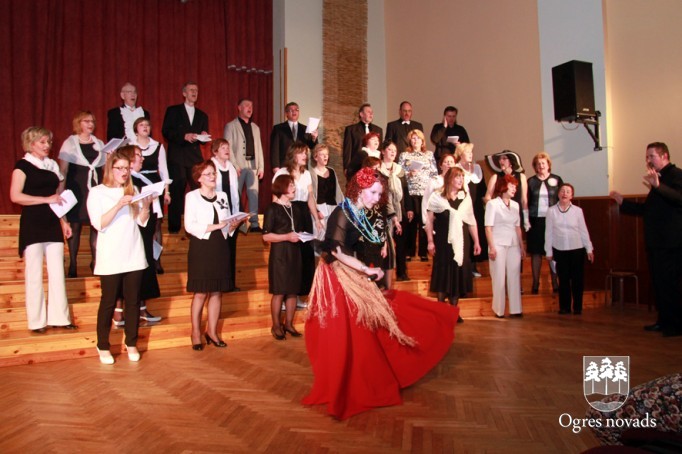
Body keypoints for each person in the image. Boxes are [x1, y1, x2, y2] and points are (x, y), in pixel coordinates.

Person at [302, 167, 458, 420]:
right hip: (335, 276)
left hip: (353, 271)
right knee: (350, 332)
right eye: (373, 193)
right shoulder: (342, 212)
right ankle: (350, 385)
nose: (377, 198)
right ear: (359, 189)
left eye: (379, 194)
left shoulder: (362, 211)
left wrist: (373, 260)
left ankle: (373, 377)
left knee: (375, 321)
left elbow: (365, 241)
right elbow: (337, 251)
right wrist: (365, 269)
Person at [86, 150, 153, 364]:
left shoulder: (133, 190)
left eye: (127, 168)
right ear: (110, 169)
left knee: (132, 301)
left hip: (133, 252)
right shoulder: (97, 192)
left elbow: (141, 221)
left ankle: (131, 343)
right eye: (120, 168)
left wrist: (146, 206)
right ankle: (103, 345)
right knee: (108, 301)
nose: (124, 172)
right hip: (111, 255)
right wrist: (118, 205)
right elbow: (99, 223)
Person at [610, 142, 682, 337]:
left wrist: (658, 186)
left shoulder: (676, 175)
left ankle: (676, 325)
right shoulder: (658, 179)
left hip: (671, 242)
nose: (648, 160)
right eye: (647, 157)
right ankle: (663, 321)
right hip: (656, 242)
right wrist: (623, 202)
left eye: (652, 156)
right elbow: (647, 210)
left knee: (671, 284)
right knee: (659, 283)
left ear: (664, 156)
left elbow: (679, 198)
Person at [10, 127, 76, 333]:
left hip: (52, 221)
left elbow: (57, 198)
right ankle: (37, 322)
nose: (47, 146)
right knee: (34, 273)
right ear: (31, 144)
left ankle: (60, 318)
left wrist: (64, 221)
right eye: (42, 142)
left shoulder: (52, 165)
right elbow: (15, 196)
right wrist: (45, 199)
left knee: (57, 271)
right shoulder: (22, 166)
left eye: (49, 142)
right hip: (33, 222)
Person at [184, 161, 243, 351]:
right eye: (208, 174)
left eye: (214, 173)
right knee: (201, 292)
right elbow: (189, 226)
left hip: (220, 246)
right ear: (199, 178)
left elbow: (226, 224)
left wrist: (233, 225)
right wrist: (216, 226)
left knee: (217, 292)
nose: (212, 177)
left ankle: (212, 332)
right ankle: (195, 333)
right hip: (202, 247)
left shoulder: (222, 195)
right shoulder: (192, 197)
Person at [111, 146, 162, 325]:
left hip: (145, 228)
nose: (142, 158)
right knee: (127, 270)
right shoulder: (125, 181)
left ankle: (141, 309)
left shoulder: (142, 178)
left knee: (144, 269)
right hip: (131, 230)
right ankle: (118, 312)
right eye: (139, 155)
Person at [426, 167, 481, 321]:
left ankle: (454, 311)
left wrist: (477, 241)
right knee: (443, 272)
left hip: (461, 241)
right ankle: (441, 310)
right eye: (457, 176)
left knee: (457, 273)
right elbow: (429, 221)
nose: (461, 180)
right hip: (443, 242)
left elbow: (471, 221)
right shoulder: (437, 197)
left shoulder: (465, 198)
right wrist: (430, 241)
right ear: (450, 178)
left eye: (462, 177)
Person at [58, 110, 106, 278]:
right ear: (78, 123)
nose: (90, 124)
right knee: (75, 225)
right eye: (86, 121)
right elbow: (63, 170)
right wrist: (60, 191)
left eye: (92, 121)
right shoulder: (70, 143)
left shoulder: (99, 143)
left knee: (96, 225)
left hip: (95, 188)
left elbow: (105, 168)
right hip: (77, 187)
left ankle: (95, 261)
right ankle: (73, 263)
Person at [273, 142, 322, 306]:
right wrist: (277, 220)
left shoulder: (306, 174)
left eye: (306, 153)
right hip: (287, 213)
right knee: (289, 258)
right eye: (302, 153)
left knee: (304, 256)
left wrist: (316, 218)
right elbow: (275, 198)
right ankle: (283, 297)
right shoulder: (282, 172)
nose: (305, 156)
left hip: (304, 216)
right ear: (293, 154)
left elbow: (310, 198)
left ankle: (298, 296)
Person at [262, 175, 308, 340]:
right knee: (279, 291)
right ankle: (276, 325)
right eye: (291, 185)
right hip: (280, 254)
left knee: (293, 291)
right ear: (281, 188)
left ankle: (289, 324)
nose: (294, 188)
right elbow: (266, 236)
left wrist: (301, 235)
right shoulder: (272, 209)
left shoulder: (296, 209)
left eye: (294, 185)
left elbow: (297, 230)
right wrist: (286, 237)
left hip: (295, 253)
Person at [161, 81, 209, 234]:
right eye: (191, 90)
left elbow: (204, 136)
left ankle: (200, 223)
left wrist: (203, 136)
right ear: (184, 93)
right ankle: (174, 228)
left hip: (194, 158)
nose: (194, 92)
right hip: (177, 156)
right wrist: (183, 136)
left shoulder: (202, 115)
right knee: (177, 190)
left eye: (196, 90)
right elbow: (166, 131)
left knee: (199, 189)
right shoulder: (173, 111)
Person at [129, 117, 171, 274]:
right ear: (136, 129)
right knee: (138, 222)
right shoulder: (129, 146)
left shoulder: (157, 146)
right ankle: (141, 257)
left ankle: (156, 260)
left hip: (153, 184)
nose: (145, 127)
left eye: (147, 125)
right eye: (141, 125)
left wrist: (167, 191)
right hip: (134, 183)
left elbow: (164, 170)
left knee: (156, 224)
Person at [545, 183, 594, 315]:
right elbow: (548, 232)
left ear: (572, 195)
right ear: (558, 194)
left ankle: (577, 307)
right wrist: (548, 251)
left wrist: (589, 249)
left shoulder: (578, 211)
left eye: (568, 191)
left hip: (577, 249)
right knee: (563, 279)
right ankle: (564, 307)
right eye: (562, 191)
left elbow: (583, 230)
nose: (564, 193)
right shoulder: (551, 211)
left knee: (577, 279)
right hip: (559, 249)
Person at [485, 174, 525, 318]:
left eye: (515, 187)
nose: (514, 189)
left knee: (514, 275)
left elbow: (517, 227)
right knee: (499, 277)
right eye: (512, 186)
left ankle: (516, 309)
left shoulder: (515, 205)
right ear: (503, 186)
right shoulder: (492, 204)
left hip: (513, 244)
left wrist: (521, 246)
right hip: (498, 244)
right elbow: (488, 227)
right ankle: (499, 310)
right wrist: (492, 247)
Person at [224, 98, 264, 231]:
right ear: (239, 108)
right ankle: (236, 223)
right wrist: (235, 166)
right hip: (238, 166)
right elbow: (228, 148)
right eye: (246, 105)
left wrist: (261, 167)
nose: (249, 108)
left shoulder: (255, 128)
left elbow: (259, 148)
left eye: (251, 106)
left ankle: (254, 224)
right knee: (235, 195)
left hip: (253, 165)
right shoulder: (231, 126)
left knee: (254, 196)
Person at [397, 129, 438, 262]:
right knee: (410, 222)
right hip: (410, 191)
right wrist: (409, 173)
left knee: (424, 221)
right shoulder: (404, 155)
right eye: (413, 138)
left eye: (418, 138)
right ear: (410, 141)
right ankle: (409, 251)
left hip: (426, 192)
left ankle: (423, 252)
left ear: (422, 141)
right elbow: (399, 173)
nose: (416, 141)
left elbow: (434, 173)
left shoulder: (429, 154)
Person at [527, 152, 563, 294]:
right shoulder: (530, 181)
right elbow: (526, 201)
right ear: (535, 166)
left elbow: (562, 199)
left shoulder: (557, 179)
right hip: (535, 221)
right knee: (536, 253)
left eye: (543, 163)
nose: (541, 166)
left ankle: (555, 282)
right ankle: (535, 283)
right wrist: (526, 221)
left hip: (553, 221)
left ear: (548, 165)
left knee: (552, 252)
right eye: (538, 164)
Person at [210, 139, 241, 291]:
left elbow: (235, 193)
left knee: (230, 249)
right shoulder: (210, 167)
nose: (227, 150)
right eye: (223, 148)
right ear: (215, 151)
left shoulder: (231, 167)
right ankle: (218, 284)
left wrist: (237, 214)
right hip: (216, 214)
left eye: (228, 147)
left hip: (232, 213)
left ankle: (230, 283)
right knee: (219, 250)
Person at [379, 140, 411, 284]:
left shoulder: (399, 170)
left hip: (399, 209)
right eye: (390, 149)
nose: (393, 152)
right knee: (386, 243)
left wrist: (409, 208)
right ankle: (384, 277)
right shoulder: (378, 168)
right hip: (384, 210)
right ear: (383, 151)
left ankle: (402, 272)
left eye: (394, 150)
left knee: (401, 243)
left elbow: (406, 190)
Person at [455, 143, 488, 274]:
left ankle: (474, 265)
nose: (470, 154)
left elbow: (483, 189)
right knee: (466, 236)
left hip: (477, 207)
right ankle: (466, 267)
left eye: (471, 152)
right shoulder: (456, 168)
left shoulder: (478, 168)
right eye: (467, 152)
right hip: (463, 207)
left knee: (478, 233)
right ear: (460, 154)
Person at [484, 150, 529, 231]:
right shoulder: (495, 177)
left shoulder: (521, 177)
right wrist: (496, 209)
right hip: (501, 217)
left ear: (510, 161)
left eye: (504, 158)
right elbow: (487, 197)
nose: (501, 161)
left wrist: (526, 219)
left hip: (517, 215)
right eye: (500, 159)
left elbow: (524, 200)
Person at [270, 102, 318, 174]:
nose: (294, 112)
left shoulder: (305, 128)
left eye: (296, 110)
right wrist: (275, 166)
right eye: (291, 110)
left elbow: (312, 147)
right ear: (286, 113)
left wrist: (314, 138)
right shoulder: (278, 128)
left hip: (301, 166)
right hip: (284, 165)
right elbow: (274, 149)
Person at [310, 144, 343, 241]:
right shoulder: (311, 173)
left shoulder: (332, 171)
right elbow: (311, 195)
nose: (325, 157)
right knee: (320, 237)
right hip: (319, 208)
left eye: (327, 154)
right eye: (322, 154)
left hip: (332, 207)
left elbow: (338, 192)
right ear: (316, 157)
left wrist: (343, 207)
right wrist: (316, 211)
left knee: (333, 236)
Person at [342, 103, 383, 177]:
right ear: (361, 114)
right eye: (368, 112)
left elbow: (379, 149)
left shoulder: (378, 130)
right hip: (356, 167)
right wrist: (346, 167)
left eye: (372, 112)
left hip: (374, 167)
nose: (371, 114)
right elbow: (347, 150)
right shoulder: (351, 130)